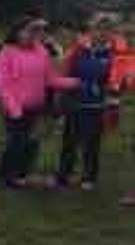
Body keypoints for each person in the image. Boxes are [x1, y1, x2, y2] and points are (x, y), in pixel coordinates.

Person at [0, 16, 80, 189]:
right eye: (28, 31)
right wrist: (14, 109)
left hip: (36, 107)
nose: (31, 35)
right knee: (16, 143)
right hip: (15, 108)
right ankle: (10, 177)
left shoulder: (41, 51)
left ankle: (22, 174)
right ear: (17, 33)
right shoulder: (7, 52)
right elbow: (3, 85)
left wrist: (74, 82)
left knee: (32, 143)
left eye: (34, 32)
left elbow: (49, 79)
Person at [55, 12, 129, 191]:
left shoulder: (117, 53)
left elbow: (121, 82)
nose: (102, 33)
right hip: (74, 100)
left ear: (112, 32)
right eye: (99, 28)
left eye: (107, 29)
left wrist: (110, 94)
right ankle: (63, 175)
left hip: (97, 105)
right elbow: (65, 71)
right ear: (91, 29)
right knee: (69, 141)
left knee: (92, 143)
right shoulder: (78, 49)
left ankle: (89, 177)